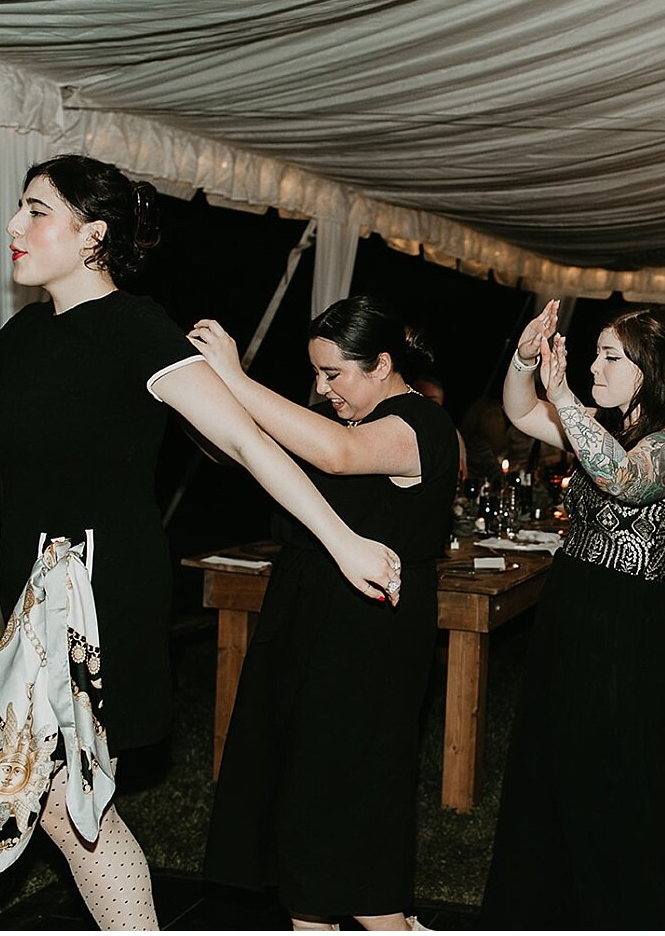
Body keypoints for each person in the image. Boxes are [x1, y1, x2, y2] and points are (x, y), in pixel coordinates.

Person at [0, 155, 399, 930]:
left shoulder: (137, 328)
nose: (16, 228)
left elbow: (247, 442)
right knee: (72, 813)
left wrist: (344, 541)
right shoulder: (22, 336)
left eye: (36, 211)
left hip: (97, 612)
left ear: (92, 235)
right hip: (28, 612)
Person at [191, 297, 458, 930]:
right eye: (315, 373)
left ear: (383, 364)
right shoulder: (341, 416)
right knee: (307, 789)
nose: (321, 387)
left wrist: (236, 377)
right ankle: (352, 917)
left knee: (339, 787)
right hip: (310, 614)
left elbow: (338, 454)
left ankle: (341, 917)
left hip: (369, 628)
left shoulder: (418, 423)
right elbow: (245, 450)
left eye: (333, 373)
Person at [479, 299, 665, 929]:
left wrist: (562, 395)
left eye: (610, 356)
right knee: (553, 766)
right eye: (594, 352)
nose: (594, 365)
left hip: (625, 628)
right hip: (570, 614)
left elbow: (620, 478)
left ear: (652, 369)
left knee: (618, 779)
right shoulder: (603, 428)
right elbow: (516, 409)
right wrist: (525, 356)